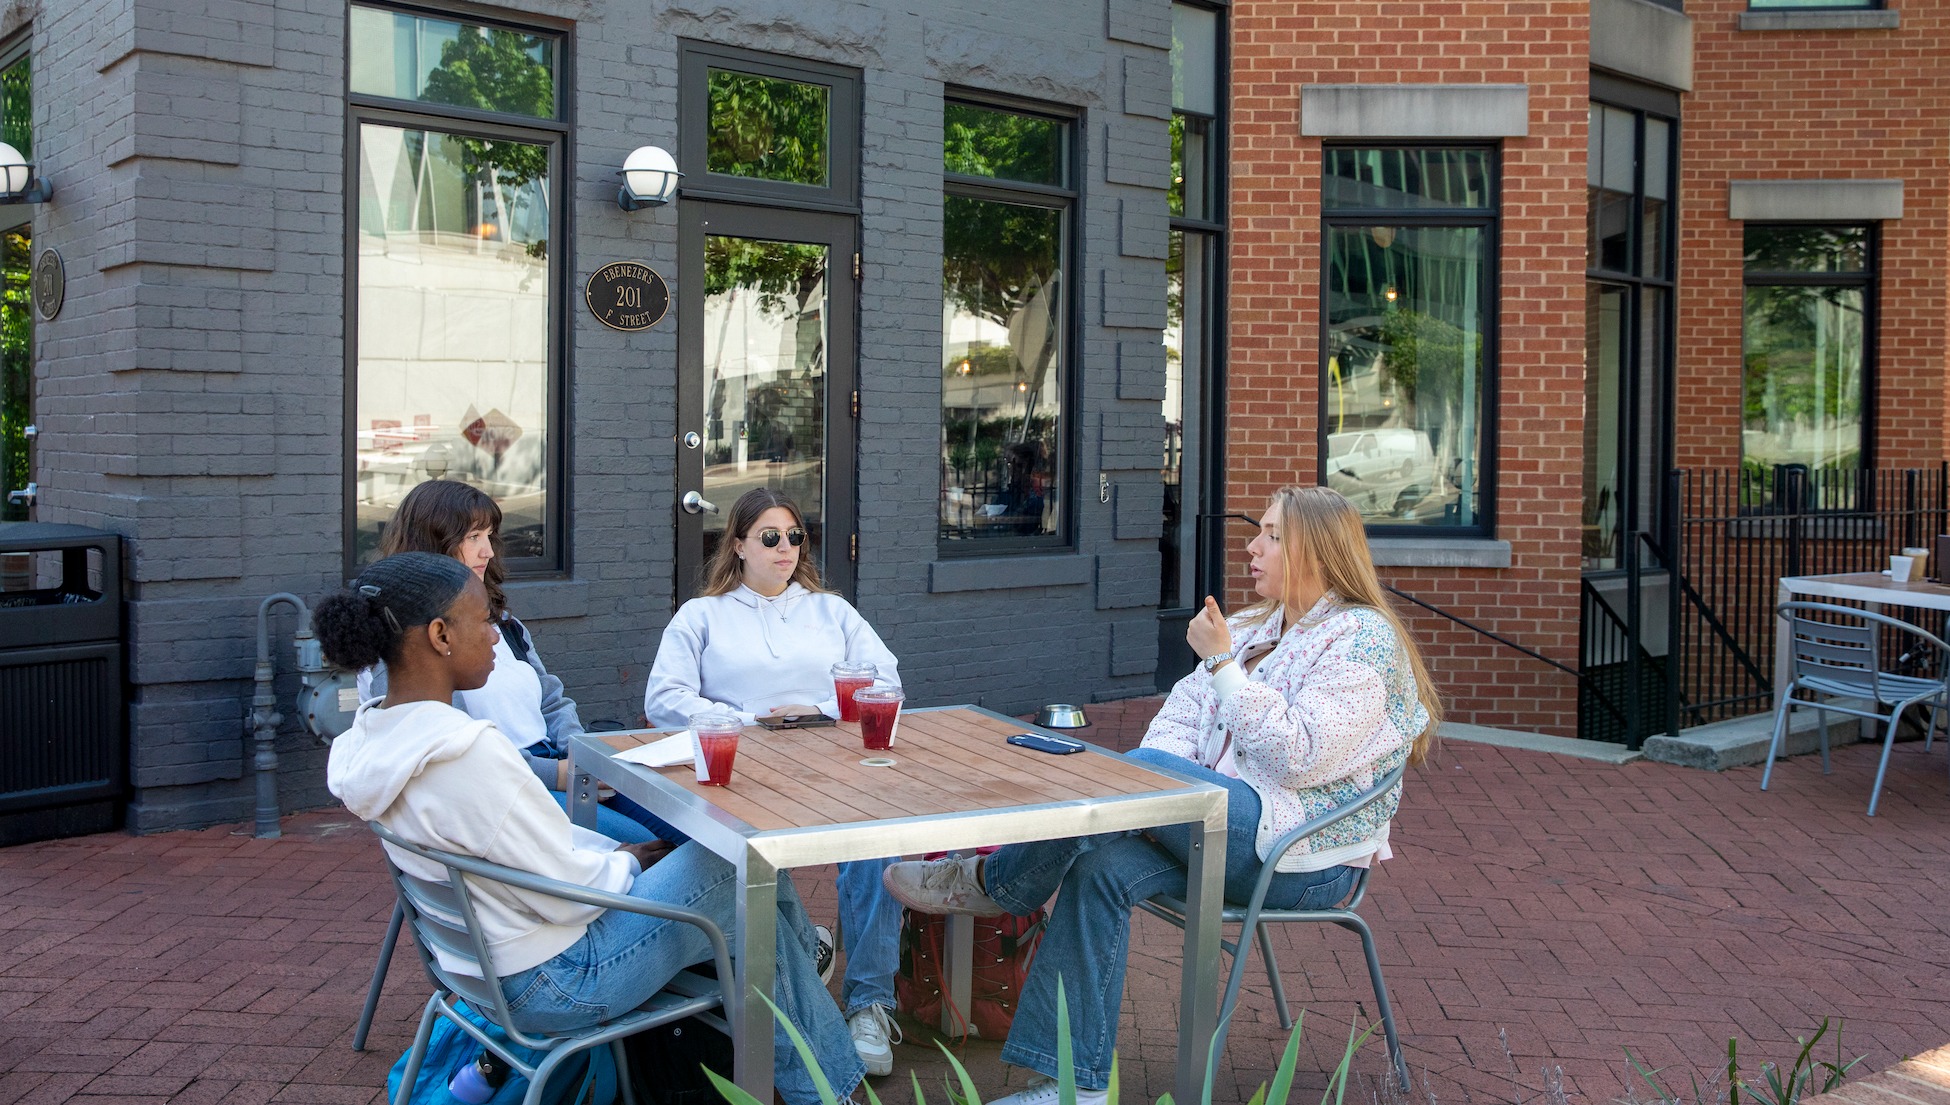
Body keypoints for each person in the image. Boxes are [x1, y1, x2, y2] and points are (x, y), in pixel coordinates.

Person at [880, 486, 1441, 1105]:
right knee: (1099, 867)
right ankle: (1073, 1086)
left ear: (1318, 551)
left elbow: (1298, 755)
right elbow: (1177, 721)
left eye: (1273, 535)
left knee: (1134, 772)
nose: (1252, 545)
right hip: (1215, 825)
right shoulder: (1256, 627)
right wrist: (1161, 775)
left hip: (1299, 857)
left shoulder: (1362, 640)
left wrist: (1223, 667)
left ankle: (999, 884)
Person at [319, 553, 866, 1105]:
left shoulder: (376, 741)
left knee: (746, 901)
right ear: (439, 635)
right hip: (557, 983)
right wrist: (628, 862)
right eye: (483, 620)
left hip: (473, 976)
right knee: (740, 867)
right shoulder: (469, 751)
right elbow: (566, 899)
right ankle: (830, 1088)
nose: (493, 637)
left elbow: (528, 860)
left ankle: (805, 1009)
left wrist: (623, 856)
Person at [644, 488, 907, 1078]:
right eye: (769, 537)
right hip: (742, 765)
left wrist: (814, 709)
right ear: (737, 545)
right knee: (751, 856)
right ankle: (792, 969)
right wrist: (745, 718)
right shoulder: (702, 615)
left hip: (833, 760)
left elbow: (884, 679)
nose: (785, 547)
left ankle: (869, 1003)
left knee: (878, 841)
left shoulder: (831, 610)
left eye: (794, 537)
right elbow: (662, 699)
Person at [361, 480, 674, 846]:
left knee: (682, 826)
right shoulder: (408, 652)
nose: (488, 551)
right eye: (473, 536)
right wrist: (558, 773)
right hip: (508, 789)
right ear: (431, 544)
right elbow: (456, 763)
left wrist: (579, 752)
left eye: (490, 536)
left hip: (561, 768)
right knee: (657, 847)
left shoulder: (504, 626)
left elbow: (551, 700)